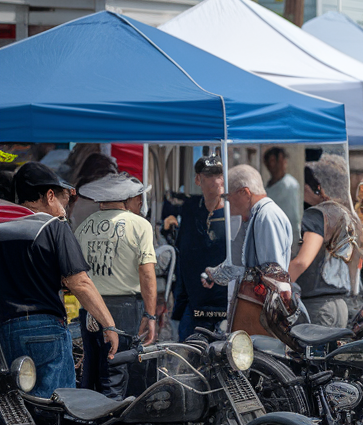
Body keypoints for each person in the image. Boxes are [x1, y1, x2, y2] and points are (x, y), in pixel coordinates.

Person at [0, 162, 119, 398]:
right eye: (62, 201)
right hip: (45, 330)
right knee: (56, 406)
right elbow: (80, 282)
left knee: (19, 408)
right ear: (49, 195)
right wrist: (109, 325)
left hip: (6, 331)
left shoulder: (4, 229)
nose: (65, 209)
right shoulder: (53, 226)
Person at [73, 173, 157, 399]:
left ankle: (91, 424)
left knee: (92, 370)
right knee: (116, 371)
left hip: (90, 307)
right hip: (124, 307)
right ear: (127, 199)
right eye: (138, 198)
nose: (140, 202)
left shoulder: (83, 227)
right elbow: (146, 273)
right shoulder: (140, 225)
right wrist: (150, 314)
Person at [289, 155, 361, 327]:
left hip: (318, 306)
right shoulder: (347, 214)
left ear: (314, 187)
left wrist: (279, 286)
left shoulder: (317, 215)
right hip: (341, 303)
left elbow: (302, 261)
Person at [163, 155, 231, 338]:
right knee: (188, 358)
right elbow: (182, 255)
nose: (216, 180)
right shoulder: (190, 208)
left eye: (218, 174)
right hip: (194, 305)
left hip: (226, 304)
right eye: (209, 175)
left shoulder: (233, 212)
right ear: (198, 179)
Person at [208, 164, 293, 284]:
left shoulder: (267, 215)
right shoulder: (257, 215)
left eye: (227, 197)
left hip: (263, 300)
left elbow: (274, 275)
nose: (225, 203)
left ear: (245, 193)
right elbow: (238, 263)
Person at [263, 147, 301, 244]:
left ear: (281, 160)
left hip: (287, 238)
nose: (271, 165)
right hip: (270, 236)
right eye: (269, 161)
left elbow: (294, 218)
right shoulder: (267, 188)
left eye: (273, 160)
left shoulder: (290, 185)